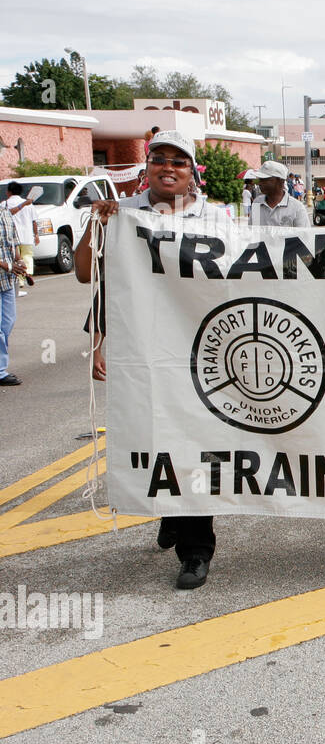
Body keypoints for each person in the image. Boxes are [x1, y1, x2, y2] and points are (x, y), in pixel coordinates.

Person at [74, 131, 219, 588]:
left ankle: (196, 550)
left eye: (179, 161)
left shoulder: (215, 218)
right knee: (155, 437)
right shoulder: (121, 214)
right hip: (142, 352)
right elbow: (89, 276)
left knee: (198, 441)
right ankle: (170, 512)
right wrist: (96, 225)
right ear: (147, 167)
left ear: (191, 170)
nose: (169, 168)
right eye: (160, 159)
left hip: (200, 350)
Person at [0, 203, 27, 385]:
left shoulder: (6, 214)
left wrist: (19, 260)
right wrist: (9, 266)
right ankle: (1, 371)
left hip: (7, 281)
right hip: (6, 272)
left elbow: (14, 243)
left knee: (7, 323)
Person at [250, 161, 310, 228]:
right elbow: (253, 232)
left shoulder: (297, 208)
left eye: (265, 179)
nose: (260, 183)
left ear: (280, 181)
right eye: (260, 179)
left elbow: (304, 236)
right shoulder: (257, 203)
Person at [4, 183, 36, 294]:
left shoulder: (5, 203)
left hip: (12, 236)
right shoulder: (30, 204)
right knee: (27, 256)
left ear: (8, 192)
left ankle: (20, 281)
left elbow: (7, 214)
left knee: (15, 258)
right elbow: (34, 221)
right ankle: (27, 274)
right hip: (27, 235)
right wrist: (36, 235)